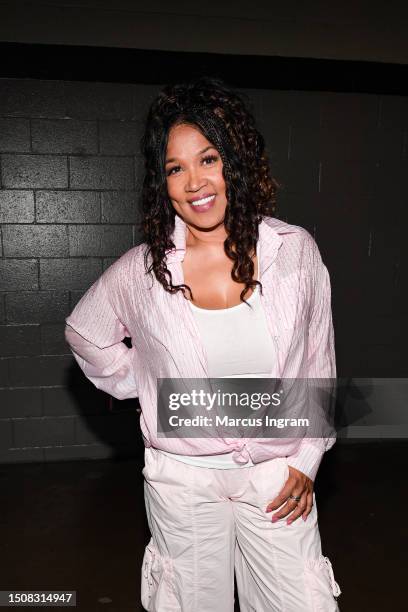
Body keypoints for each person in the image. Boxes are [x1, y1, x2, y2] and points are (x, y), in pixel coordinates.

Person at [64, 76, 341, 611]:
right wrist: (148, 384)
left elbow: (318, 359)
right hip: (183, 482)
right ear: (162, 183)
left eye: (208, 159)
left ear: (234, 162)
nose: (194, 182)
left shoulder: (294, 251)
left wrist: (307, 460)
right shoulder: (141, 271)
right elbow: (85, 332)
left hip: (275, 475)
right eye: (175, 168)